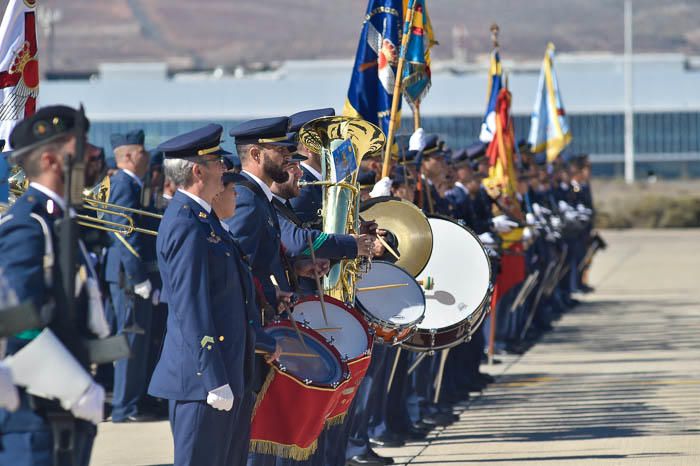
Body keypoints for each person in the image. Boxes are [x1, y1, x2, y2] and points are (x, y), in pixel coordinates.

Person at [148, 123, 263, 466]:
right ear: (198, 170)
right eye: (218, 163)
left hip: (225, 370)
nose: (224, 169)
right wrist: (213, 378)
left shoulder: (204, 220)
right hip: (202, 380)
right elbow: (191, 306)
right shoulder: (186, 224)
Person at [0, 105, 108, 466]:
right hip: (36, 417)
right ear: (50, 159)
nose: (93, 153)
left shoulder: (63, 221)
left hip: (64, 414)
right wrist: (74, 388)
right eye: (80, 145)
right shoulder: (28, 225)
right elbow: (16, 320)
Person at [226, 116, 329, 466]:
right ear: (256, 153)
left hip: (270, 319)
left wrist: (295, 270)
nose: (288, 157)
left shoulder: (259, 197)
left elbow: (259, 263)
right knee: (259, 437)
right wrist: (262, 311)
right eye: (280, 150)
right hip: (258, 329)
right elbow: (237, 269)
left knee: (272, 435)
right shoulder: (246, 198)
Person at [104, 129, 155, 423]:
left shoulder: (133, 183)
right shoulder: (123, 183)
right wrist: (138, 277)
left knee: (137, 342)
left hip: (132, 275)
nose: (147, 157)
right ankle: (124, 407)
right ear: (128, 156)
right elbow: (124, 234)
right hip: (126, 276)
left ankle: (131, 403)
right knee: (129, 342)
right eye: (142, 152)